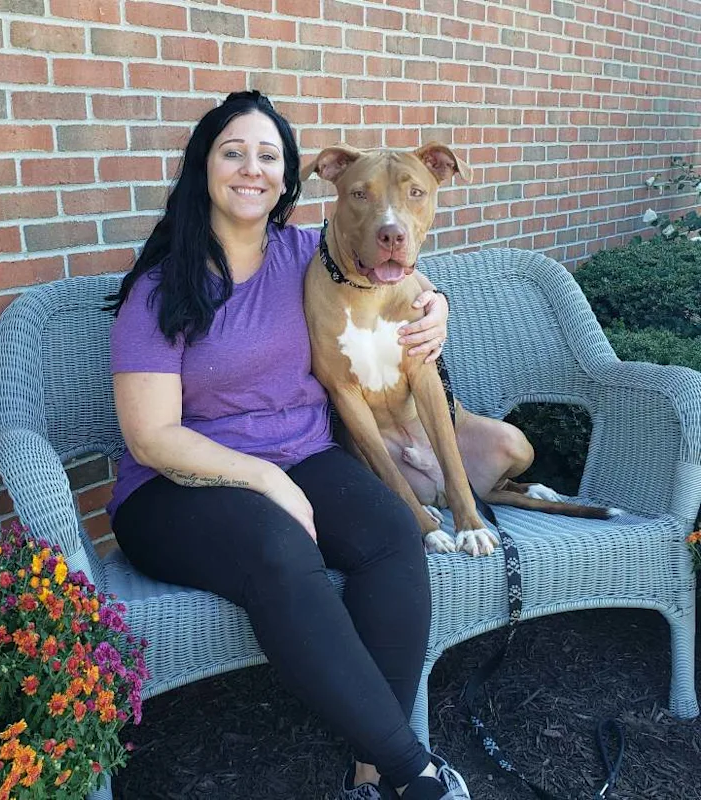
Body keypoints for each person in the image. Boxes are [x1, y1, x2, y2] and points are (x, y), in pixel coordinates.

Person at [106, 90, 471, 800]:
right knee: (282, 550)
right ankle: (414, 774)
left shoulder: (312, 252)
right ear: (202, 169)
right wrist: (265, 481)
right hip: (175, 487)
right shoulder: (161, 286)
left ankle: (368, 773)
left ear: (288, 177)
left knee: (395, 535)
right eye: (232, 152)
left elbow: (401, 276)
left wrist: (438, 310)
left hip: (305, 459)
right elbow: (150, 437)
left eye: (268, 155)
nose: (252, 168)